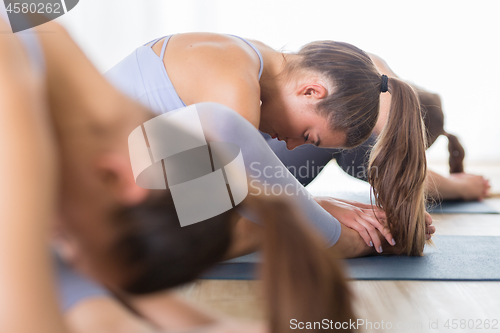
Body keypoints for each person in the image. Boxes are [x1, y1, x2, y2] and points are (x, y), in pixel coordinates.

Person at [0, 15, 359, 333]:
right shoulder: (16, 90)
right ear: (118, 181)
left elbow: (92, 270)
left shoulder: (41, 45)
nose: (58, 241)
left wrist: (209, 324)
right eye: (68, 238)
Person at [105, 32, 434, 256]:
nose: (292, 146)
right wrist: (343, 233)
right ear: (311, 91)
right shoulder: (234, 92)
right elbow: (213, 241)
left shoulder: (243, 58)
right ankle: (344, 236)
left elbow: (205, 207)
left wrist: (316, 207)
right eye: (307, 136)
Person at [265, 53, 490, 206]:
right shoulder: (347, 84)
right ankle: (458, 187)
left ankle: (458, 187)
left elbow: (398, 170)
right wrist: (460, 187)